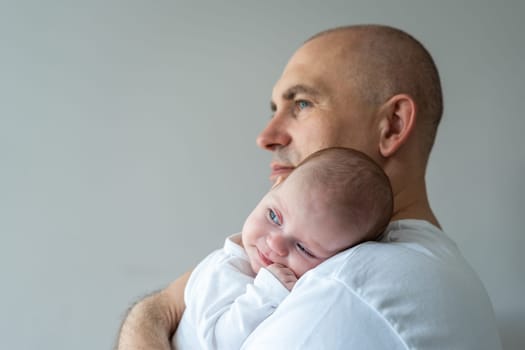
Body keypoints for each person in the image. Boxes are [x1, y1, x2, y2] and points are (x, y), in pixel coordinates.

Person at [116, 24, 502, 349]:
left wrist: (158, 314)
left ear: (393, 125)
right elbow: (168, 302)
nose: (266, 136)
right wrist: (156, 310)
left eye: (301, 104)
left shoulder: (349, 289)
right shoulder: (404, 266)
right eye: (274, 109)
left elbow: (170, 307)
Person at [172, 147, 393, 349]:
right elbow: (217, 344)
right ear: (274, 186)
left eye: (304, 248)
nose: (275, 244)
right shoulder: (225, 271)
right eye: (273, 216)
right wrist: (266, 294)